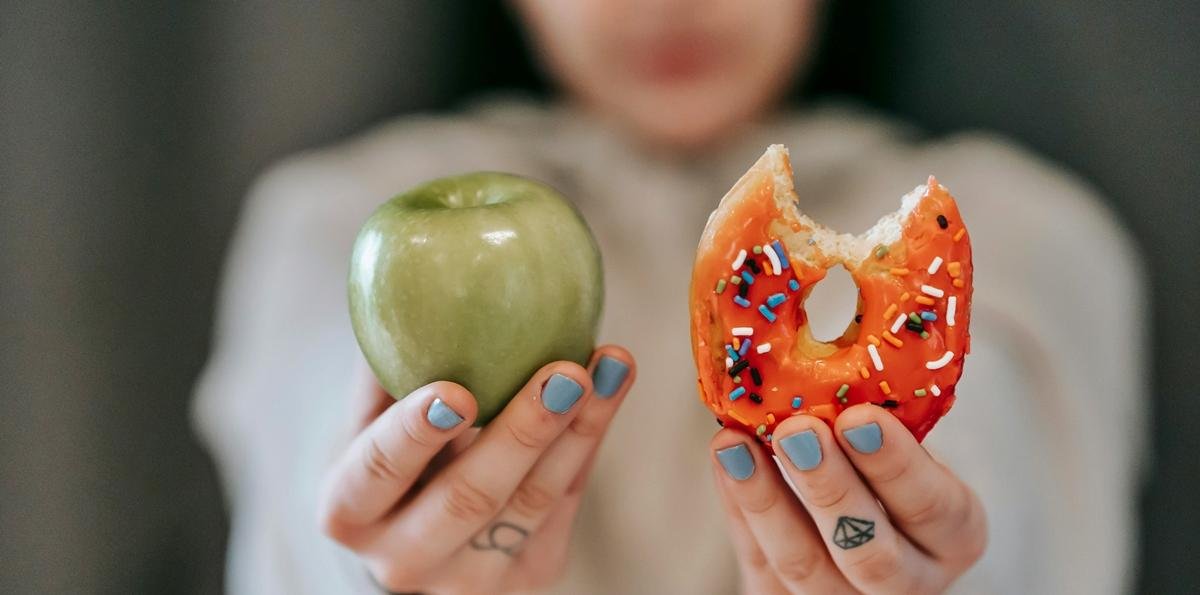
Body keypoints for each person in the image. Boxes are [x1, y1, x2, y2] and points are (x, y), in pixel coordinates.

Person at [193, 1, 1147, 593]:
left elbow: (1008, 465)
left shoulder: (1027, 226)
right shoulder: (328, 218)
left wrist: (937, 563)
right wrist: (374, 558)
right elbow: (306, 446)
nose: (668, 3)